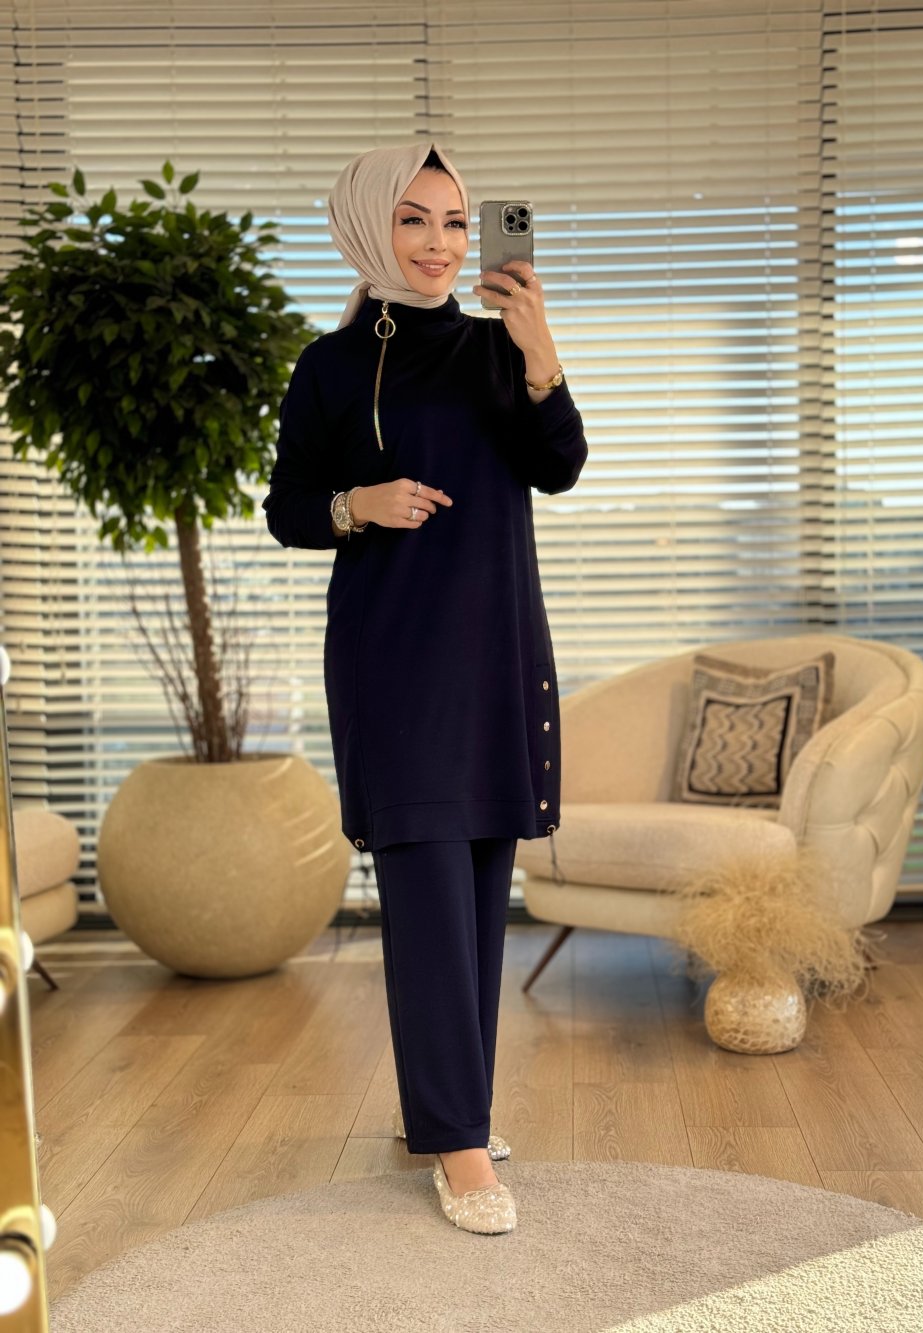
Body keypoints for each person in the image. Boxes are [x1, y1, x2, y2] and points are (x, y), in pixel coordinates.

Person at [261, 141, 588, 1234]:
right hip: (394, 659)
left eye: (454, 221)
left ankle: (454, 1111)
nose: (440, 243)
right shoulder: (329, 366)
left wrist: (540, 352)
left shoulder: (501, 349)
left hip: (495, 647)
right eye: (414, 218)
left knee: (479, 885)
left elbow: (559, 465)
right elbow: (289, 507)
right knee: (428, 893)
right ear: (368, 225)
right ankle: (457, 1144)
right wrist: (359, 504)